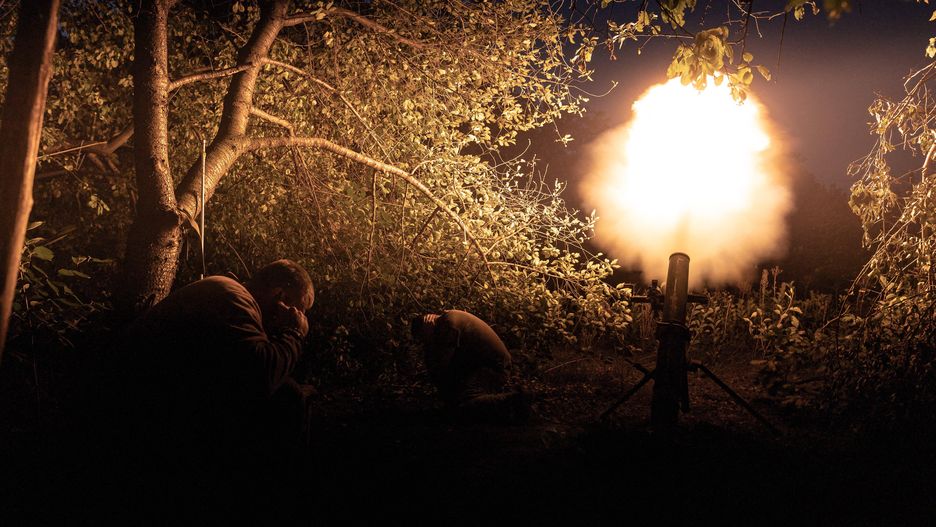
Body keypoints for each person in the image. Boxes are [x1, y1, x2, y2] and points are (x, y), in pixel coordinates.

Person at [100, 259, 316, 482]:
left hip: (154, 400)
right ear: (281, 298)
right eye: (298, 310)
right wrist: (293, 333)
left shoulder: (232, 296)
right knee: (287, 399)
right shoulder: (231, 297)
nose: (297, 318)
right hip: (137, 409)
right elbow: (258, 377)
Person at [412, 309, 530, 423]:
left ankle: (514, 401)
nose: (425, 341)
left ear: (427, 325)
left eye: (423, 337)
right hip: (481, 366)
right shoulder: (448, 319)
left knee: (466, 402)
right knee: (456, 401)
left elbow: (442, 367)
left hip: (493, 368)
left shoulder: (448, 325)